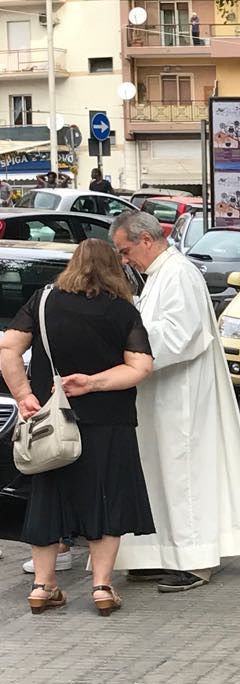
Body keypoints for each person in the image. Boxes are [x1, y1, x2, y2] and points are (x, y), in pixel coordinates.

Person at [110, 211, 240, 592]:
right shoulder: (160, 275)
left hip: (181, 397)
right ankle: (159, 553)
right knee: (160, 475)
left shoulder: (178, 274)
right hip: (162, 395)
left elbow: (179, 335)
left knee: (183, 476)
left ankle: (194, 559)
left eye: (126, 251)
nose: (124, 260)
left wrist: (125, 341)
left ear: (146, 240)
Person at [0, 239, 156, 615]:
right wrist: (93, 383)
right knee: (106, 499)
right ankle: (101, 587)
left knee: (48, 498)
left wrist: (24, 395)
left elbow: (8, 349)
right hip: (109, 420)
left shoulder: (43, 300)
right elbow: (141, 366)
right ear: (114, 269)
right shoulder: (122, 310)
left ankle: (43, 586)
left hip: (50, 420)